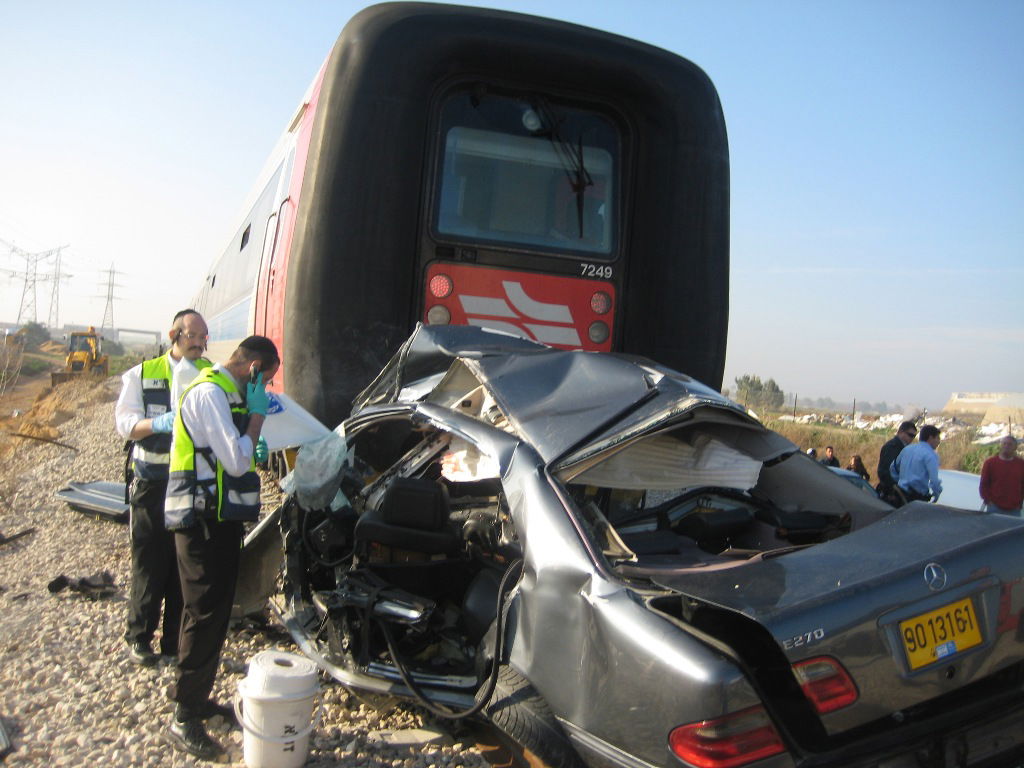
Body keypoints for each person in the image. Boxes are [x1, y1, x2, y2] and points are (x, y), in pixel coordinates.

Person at [163, 335, 278, 760]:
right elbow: (234, 460)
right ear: (252, 369)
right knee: (202, 612)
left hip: (219, 520)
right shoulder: (209, 394)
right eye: (264, 382)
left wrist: (250, 420)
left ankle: (198, 698)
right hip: (200, 523)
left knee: (213, 614)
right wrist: (255, 423)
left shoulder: (226, 396)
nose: (262, 391)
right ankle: (184, 717)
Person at [114, 309, 211, 666]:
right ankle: (139, 637)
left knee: (181, 567)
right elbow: (124, 423)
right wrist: (158, 423)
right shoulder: (142, 374)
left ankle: (173, 642)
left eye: (204, 337)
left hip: (190, 485)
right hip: (152, 485)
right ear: (175, 334)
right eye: (194, 336)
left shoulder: (208, 374)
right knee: (148, 563)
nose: (200, 343)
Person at [890, 424, 942, 505]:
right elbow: (934, 481)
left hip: (899, 494)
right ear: (930, 438)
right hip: (916, 499)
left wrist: (899, 482)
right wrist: (936, 494)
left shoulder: (907, 449)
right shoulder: (931, 455)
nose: (939, 441)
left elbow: (893, 468)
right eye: (938, 438)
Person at [979, 436, 1024, 516]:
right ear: (1001, 446)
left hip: (1014, 509)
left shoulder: (1021, 464)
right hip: (994, 507)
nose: (1006, 446)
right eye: (1004, 443)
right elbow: (984, 484)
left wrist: (1020, 502)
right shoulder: (990, 463)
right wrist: (988, 500)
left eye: (1010, 444)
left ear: (1015, 447)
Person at [876, 420, 917, 504]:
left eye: (914, 436)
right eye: (910, 435)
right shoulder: (892, 447)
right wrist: (893, 491)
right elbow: (885, 471)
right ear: (901, 432)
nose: (912, 438)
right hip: (892, 494)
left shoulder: (905, 448)